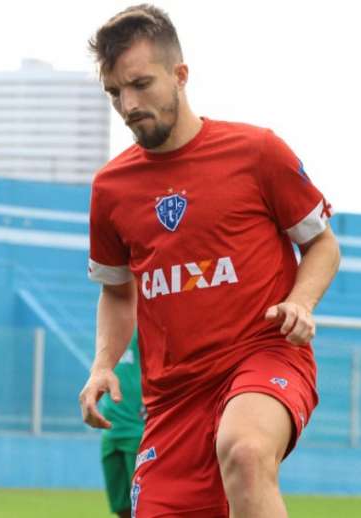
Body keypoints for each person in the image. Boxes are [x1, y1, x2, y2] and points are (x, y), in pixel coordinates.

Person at [78, 4, 341, 518]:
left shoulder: (257, 152)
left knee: (244, 451)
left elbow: (323, 245)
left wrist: (301, 302)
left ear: (180, 75)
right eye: (115, 92)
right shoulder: (110, 189)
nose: (128, 104)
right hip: (173, 399)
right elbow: (116, 289)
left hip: (262, 356)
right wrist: (103, 364)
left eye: (140, 84)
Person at [99, 331, 144, 518]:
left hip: (137, 430)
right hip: (110, 431)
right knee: (121, 506)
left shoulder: (144, 329)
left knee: (143, 505)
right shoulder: (106, 334)